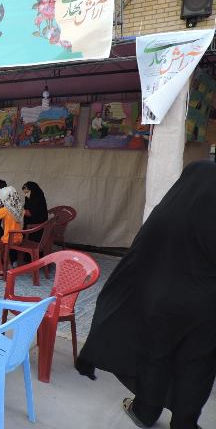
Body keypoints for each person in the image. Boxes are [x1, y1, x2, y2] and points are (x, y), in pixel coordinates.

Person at [76, 161, 216, 429]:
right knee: (197, 366)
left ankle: (144, 411)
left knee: (156, 356)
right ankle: (184, 423)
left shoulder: (169, 211)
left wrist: (118, 293)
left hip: (162, 302)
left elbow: (139, 254)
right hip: (207, 310)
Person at [0, 186, 24, 278]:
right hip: (19, 238)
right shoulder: (20, 208)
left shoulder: (6, 209)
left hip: (8, 239)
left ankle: (0, 270)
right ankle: (9, 266)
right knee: (4, 249)